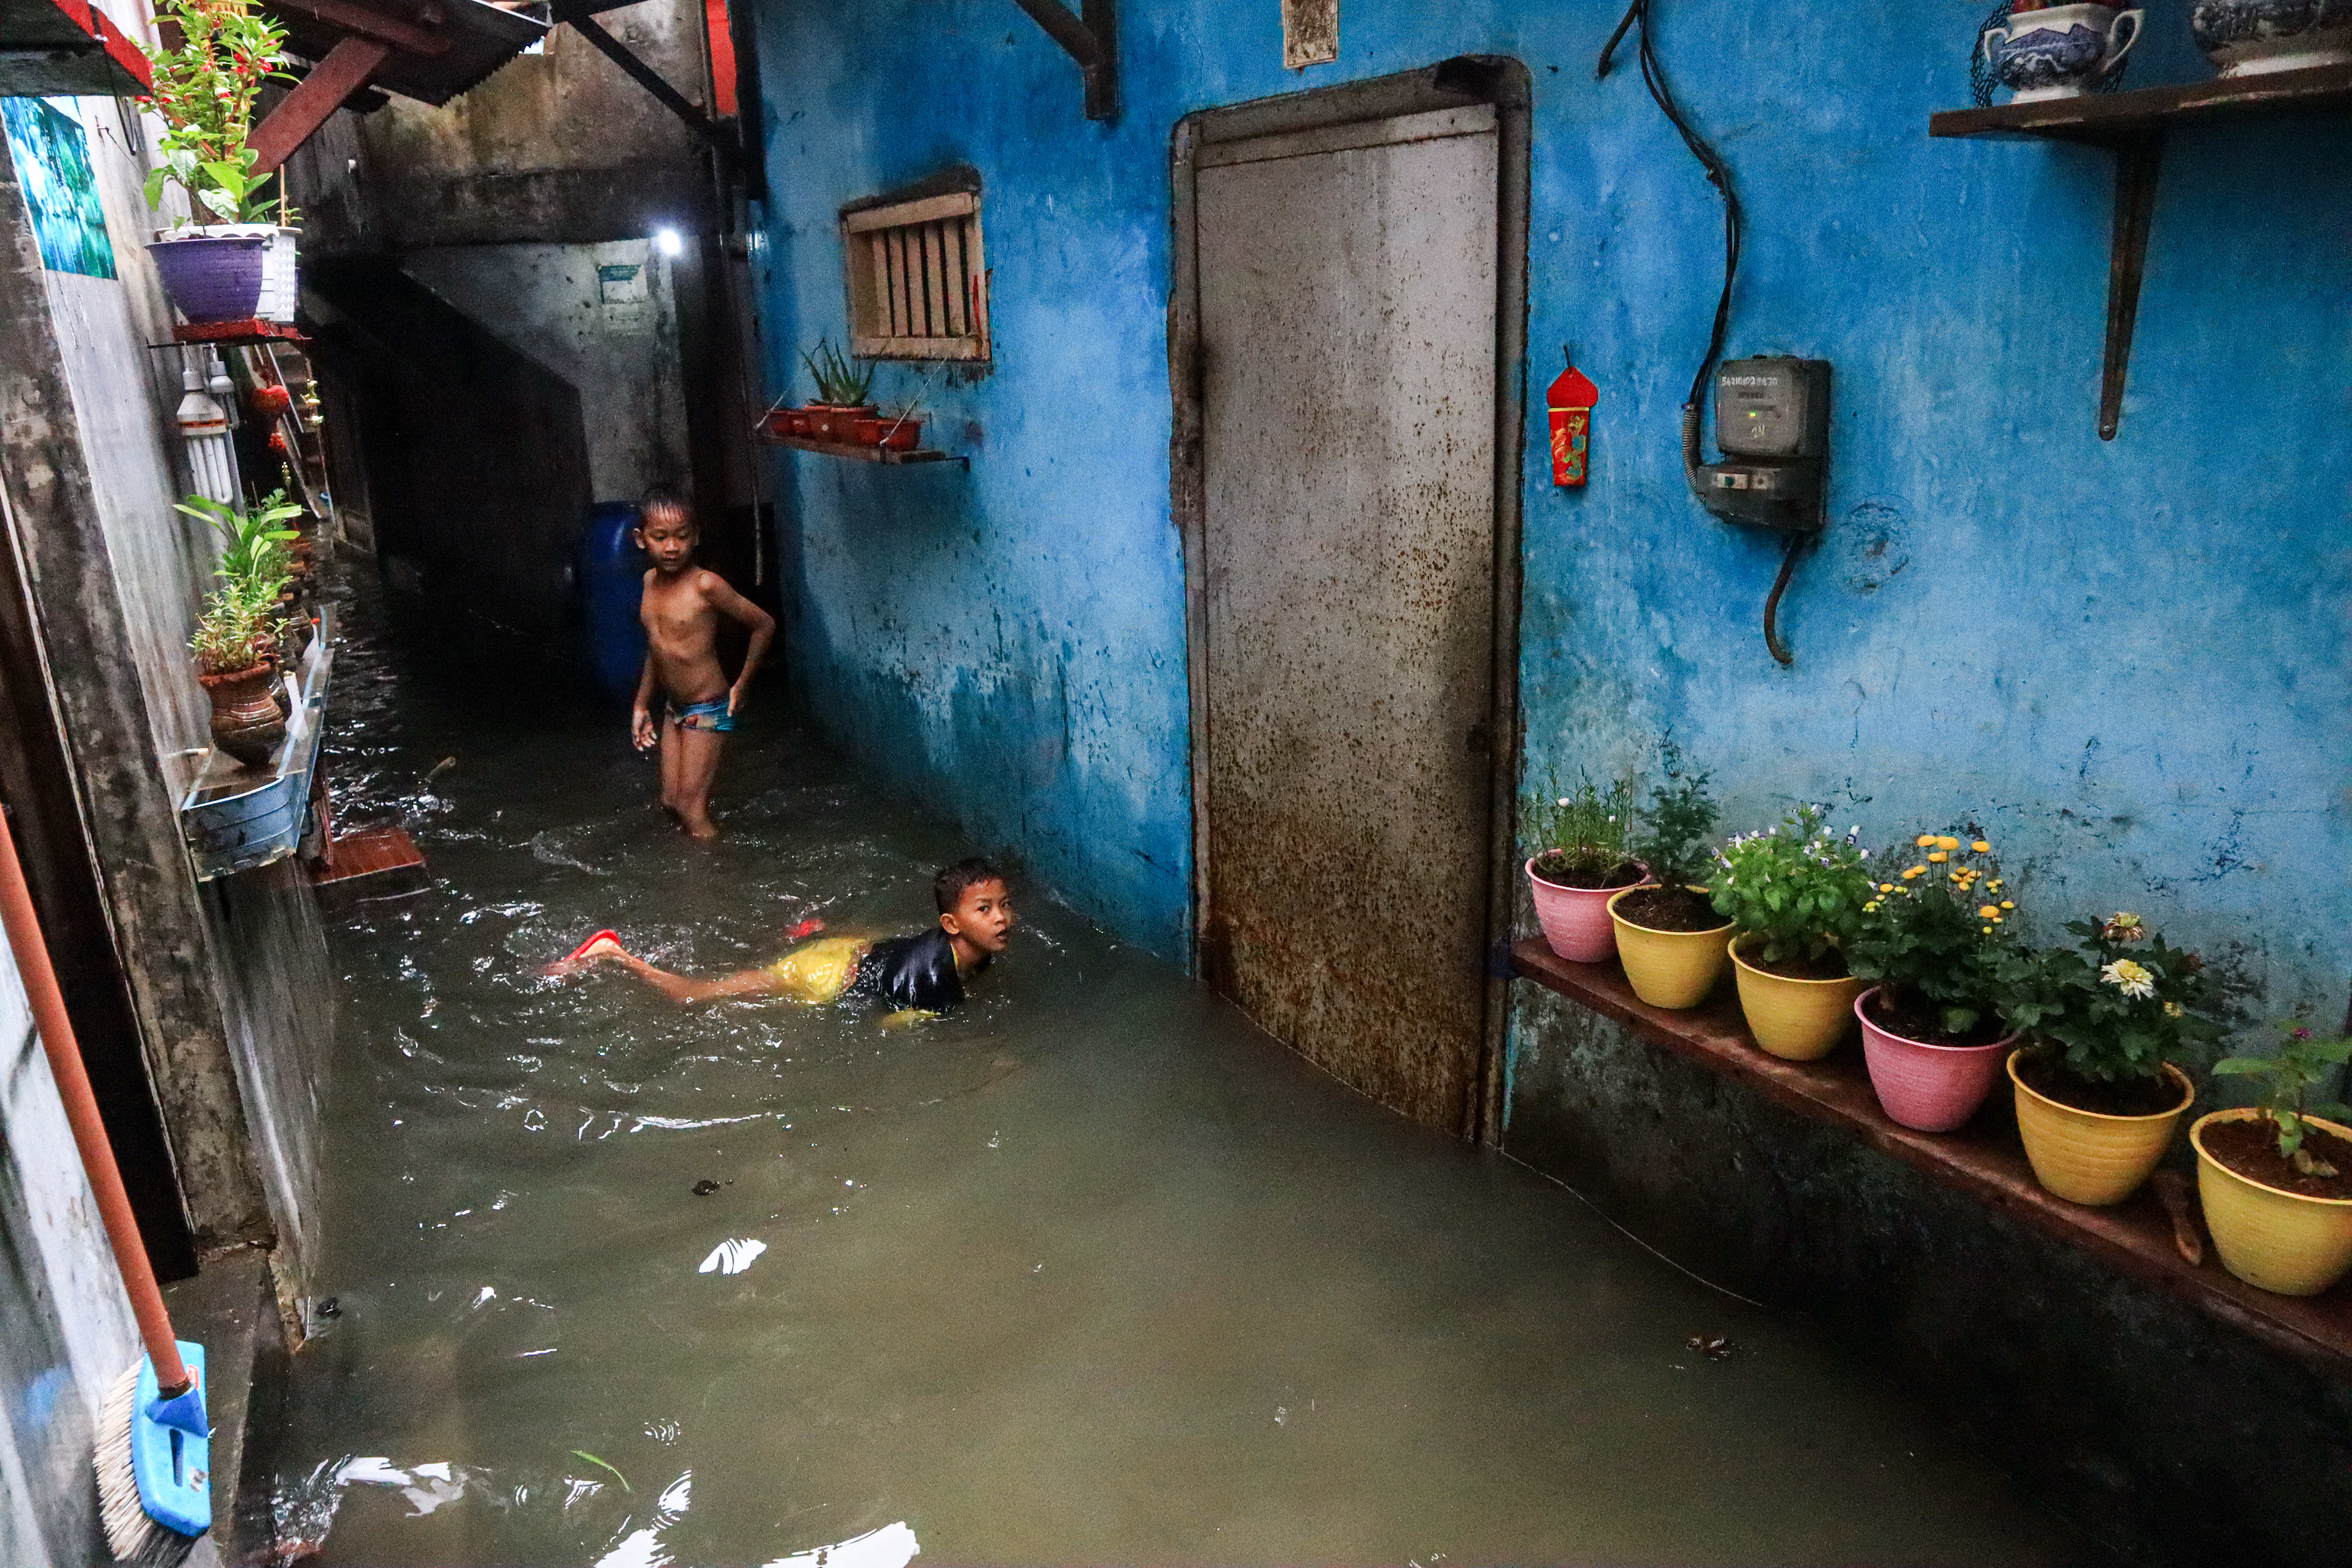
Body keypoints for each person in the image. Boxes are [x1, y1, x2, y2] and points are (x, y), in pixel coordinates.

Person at [559, 859, 1015, 1015]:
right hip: (826, 976)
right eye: (985, 909)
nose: (1002, 919)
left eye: (1005, 905)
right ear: (951, 925)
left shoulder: (963, 949)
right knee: (694, 996)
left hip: (850, 953)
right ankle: (614, 953)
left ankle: (812, 933)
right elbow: (891, 1024)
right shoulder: (933, 980)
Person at [630, 487, 775, 839]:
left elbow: (764, 625)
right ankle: (696, 867)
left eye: (682, 537)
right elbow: (657, 648)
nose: (671, 547)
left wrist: (742, 683)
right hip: (673, 707)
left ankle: (717, 884)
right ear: (641, 539)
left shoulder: (705, 585)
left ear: (696, 537)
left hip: (708, 706)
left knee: (691, 809)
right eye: (660, 537)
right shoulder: (649, 582)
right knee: (669, 801)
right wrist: (640, 705)